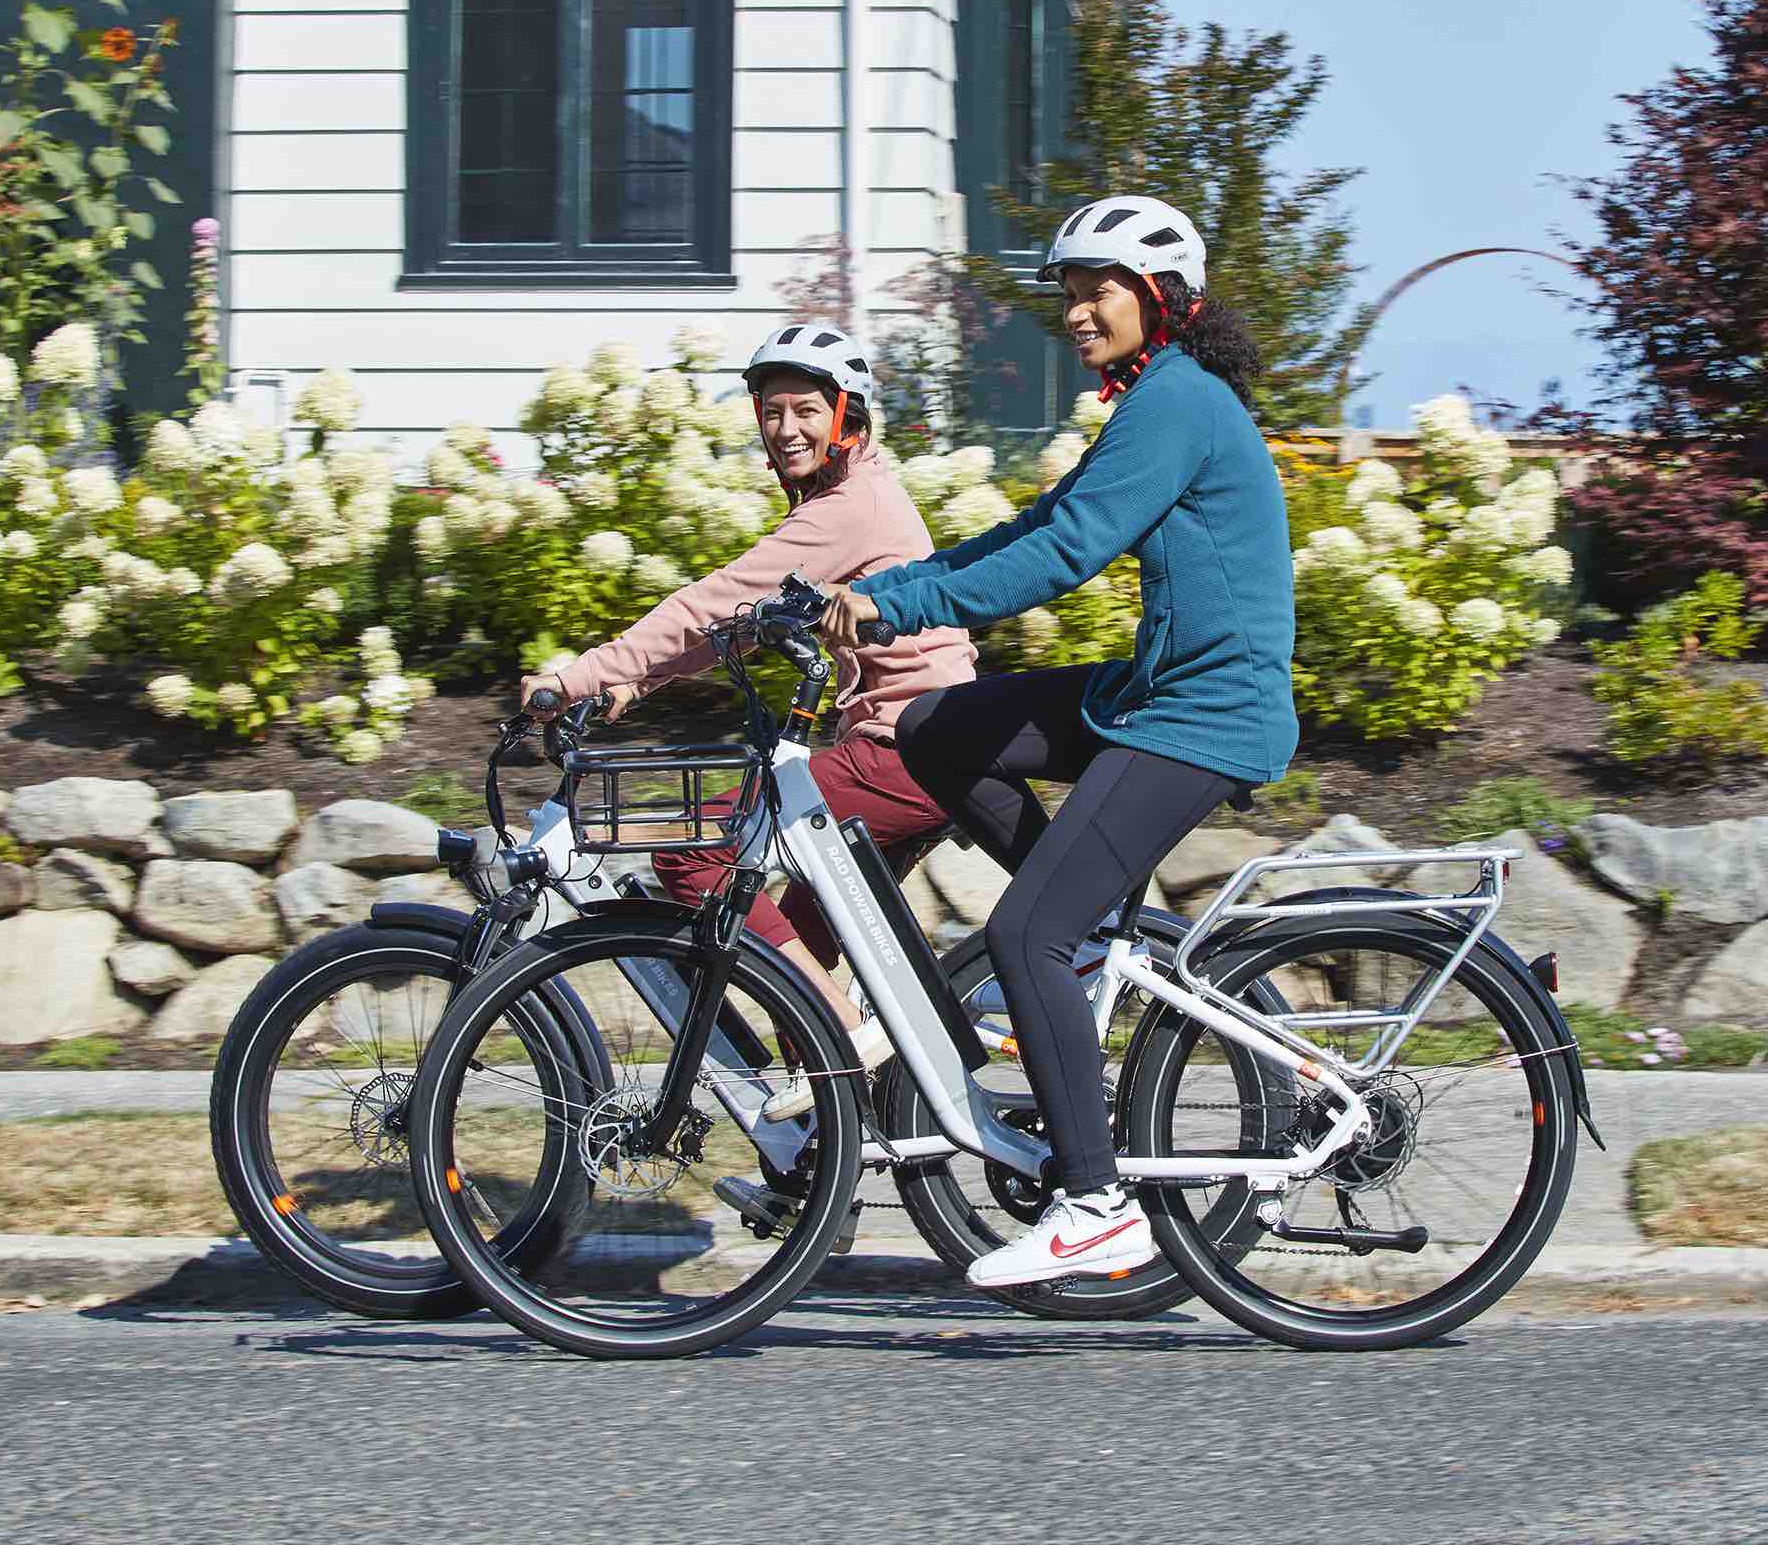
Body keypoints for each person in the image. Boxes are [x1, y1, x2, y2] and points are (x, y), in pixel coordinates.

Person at [821, 197, 1297, 1287]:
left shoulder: (1179, 401)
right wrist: (877, 587)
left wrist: (895, 614)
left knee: (1022, 930)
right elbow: (1035, 523)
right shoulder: (1154, 403)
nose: (1076, 309)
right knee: (939, 722)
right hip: (1154, 691)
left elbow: (1068, 554)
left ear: (1159, 298)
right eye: (1070, 291)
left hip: (1204, 714)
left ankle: (1096, 1204)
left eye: (1099, 288)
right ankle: (1076, 946)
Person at [523, 324, 974, 1139]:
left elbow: (713, 603)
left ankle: (845, 1033)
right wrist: (635, 678)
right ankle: (825, 1159)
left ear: (847, 416)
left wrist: (579, 675)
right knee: (797, 931)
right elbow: (736, 624)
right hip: (912, 747)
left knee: (697, 856)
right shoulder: (850, 499)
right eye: (772, 411)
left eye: (807, 409)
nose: (787, 427)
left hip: (900, 752)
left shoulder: (851, 507)